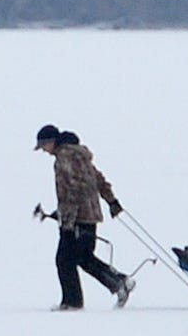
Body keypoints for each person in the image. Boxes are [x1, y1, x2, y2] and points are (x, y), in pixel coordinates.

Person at [35, 124, 134, 310]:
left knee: (64, 260)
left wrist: (67, 219)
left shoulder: (63, 158)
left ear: (52, 141)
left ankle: (72, 302)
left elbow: (73, 189)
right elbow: (98, 180)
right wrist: (112, 202)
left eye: (44, 146)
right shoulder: (81, 156)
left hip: (76, 218)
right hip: (90, 214)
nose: (44, 151)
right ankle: (120, 282)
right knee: (83, 257)